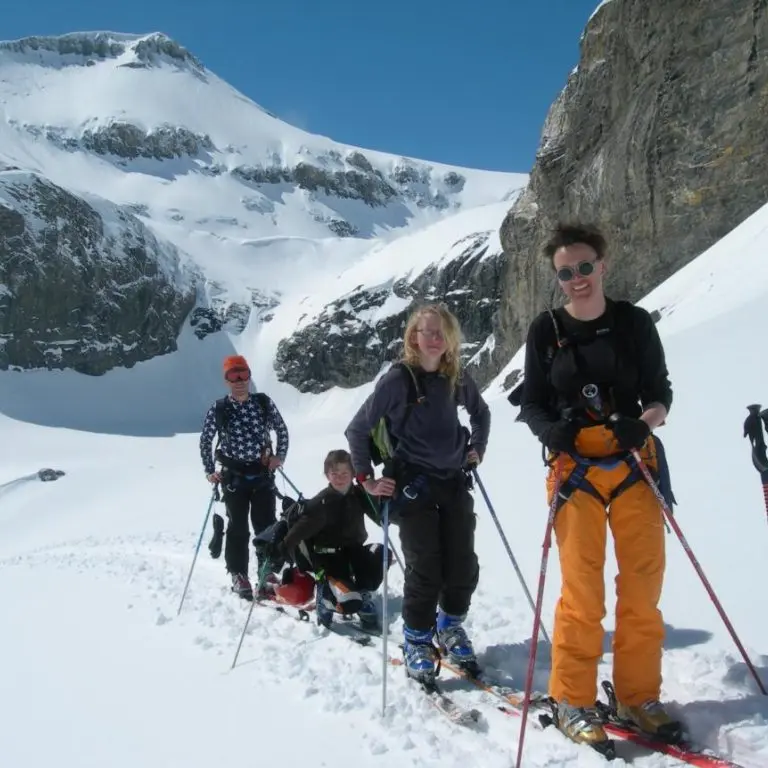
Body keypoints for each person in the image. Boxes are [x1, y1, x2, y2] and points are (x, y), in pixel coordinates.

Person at [516, 223, 681, 746]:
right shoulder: (545, 330)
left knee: (642, 587)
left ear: (602, 265)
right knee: (582, 593)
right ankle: (572, 698)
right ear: (557, 277)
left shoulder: (633, 322)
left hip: (635, 460)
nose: (577, 278)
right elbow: (534, 401)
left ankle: (638, 696)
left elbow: (660, 391)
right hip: (575, 470)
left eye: (585, 267)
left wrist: (645, 422)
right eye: (566, 272)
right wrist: (550, 430)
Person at [344, 302, 491, 683]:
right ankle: (417, 639)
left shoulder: (455, 376)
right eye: (427, 331)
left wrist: (477, 448)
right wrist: (367, 479)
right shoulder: (397, 381)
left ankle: (450, 625)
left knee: (462, 564)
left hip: (454, 482)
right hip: (413, 487)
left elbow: (481, 413)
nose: (435, 338)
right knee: (425, 568)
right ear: (413, 337)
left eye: (442, 331)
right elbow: (357, 429)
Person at [265, 449, 392, 629]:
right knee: (349, 602)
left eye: (344, 473)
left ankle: (361, 593)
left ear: (353, 473)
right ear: (327, 475)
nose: (340, 477)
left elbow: (379, 517)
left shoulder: (358, 494)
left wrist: (387, 505)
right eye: (334, 473)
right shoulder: (321, 502)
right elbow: (301, 528)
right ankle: (326, 597)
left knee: (381, 553)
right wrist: (283, 546)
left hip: (353, 550)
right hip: (328, 558)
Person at [199, 354, 289, 600]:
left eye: (243, 375)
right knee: (237, 527)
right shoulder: (219, 409)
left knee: (266, 525)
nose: (239, 380)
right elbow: (205, 440)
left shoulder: (262, 403)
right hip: (233, 477)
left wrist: (279, 456)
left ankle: (266, 570)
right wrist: (210, 471)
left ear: (249, 376)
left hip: (262, 474)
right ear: (226, 380)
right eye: (233, 376)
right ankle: (238, 573)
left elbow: (281, 429)